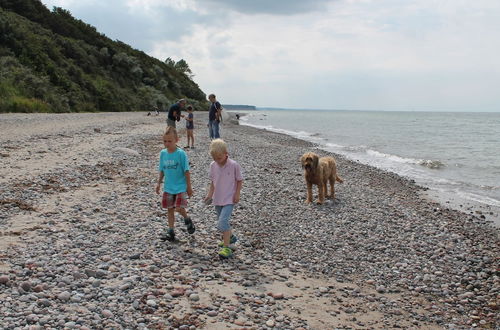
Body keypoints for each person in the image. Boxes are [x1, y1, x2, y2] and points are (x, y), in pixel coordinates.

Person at [204, 139, 243, 258]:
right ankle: (230, 238)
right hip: (217, 199)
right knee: (222, 223)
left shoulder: (233, 165)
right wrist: (209, 195)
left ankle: (227, 248)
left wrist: (237, 194)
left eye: (219, 158)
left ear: (226, 153)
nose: (217, 161)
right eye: (215, 158)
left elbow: (239, 180)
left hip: (229, 199)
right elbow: (213, 182)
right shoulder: (213, 165)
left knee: (222, 222)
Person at [155, 126, 195, 241]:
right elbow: (162, 170)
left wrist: (189, 187)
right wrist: (158, 183)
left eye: (169, 141)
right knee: (170, 209)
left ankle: (187, 218)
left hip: (180, 187)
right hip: (168, 187)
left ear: (176, 140)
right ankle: (171, 232)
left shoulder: (181, 154)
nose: (167, 144)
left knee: (178, 208)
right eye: (165, 141)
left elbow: (186, 171)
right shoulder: (163, 153)